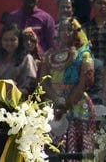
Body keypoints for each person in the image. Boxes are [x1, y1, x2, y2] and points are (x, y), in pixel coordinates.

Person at [38, 17, 96, 155]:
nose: (66, 33)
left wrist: (67, 103)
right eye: (62, 29)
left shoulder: (84, 54)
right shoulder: (48, 55)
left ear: (76, 32)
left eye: (70, 29)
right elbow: (43, 82)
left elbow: (83, 82)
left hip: (76, 103)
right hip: (52, 102)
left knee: (75, 146)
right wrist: (56, 99)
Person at [0, 23, 38, 96]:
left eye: (13, 40)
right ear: (0, 41)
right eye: (5, 40)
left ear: (19, 40)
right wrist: (1, 85)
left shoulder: (26, 59)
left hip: (18, 102)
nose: (9, 43)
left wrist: (12, 93)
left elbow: (30, 87)